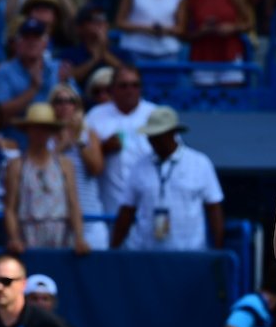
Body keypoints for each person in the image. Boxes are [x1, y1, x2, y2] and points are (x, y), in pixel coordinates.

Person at [110, 106, 225, 249]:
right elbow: (126, 211)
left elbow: (214, 208)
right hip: (148, 255)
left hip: (189, 255)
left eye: (158, 135)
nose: (153, 140)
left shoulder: (200, 163)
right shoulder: (139, 167)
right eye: (151, 136)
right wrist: (113, 248)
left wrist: (219, 250)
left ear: (172, 133)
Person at [4, 103, 89, 254]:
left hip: (60, 233)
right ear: (28, 130)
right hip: (28, 234)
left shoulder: (64, 164)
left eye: (45, 128)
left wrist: (79, 238)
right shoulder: (17, 165)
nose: (40, 132)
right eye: (36, 127)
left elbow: (74, 204)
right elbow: (10, 208)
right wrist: (14, 238)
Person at [84, 65, 158, 215]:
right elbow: (83, 160)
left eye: (135, 85)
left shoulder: (155, 114)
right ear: (112, 89)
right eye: (123, 86)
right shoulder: (95, 116)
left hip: (149, 204)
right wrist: (104, 148)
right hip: (111, 205)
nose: (129, 90)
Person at [50, 84, 108, 249]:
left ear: (77, 106)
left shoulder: (88, 134)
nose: (65, 106)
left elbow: (96, 168)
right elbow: (40, 168)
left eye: (70, 101)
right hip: (57, 221)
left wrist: (78, 141)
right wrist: (63, 145)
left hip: (89, 218)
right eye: (59, 101)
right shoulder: (45, 137)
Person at [186, 0, 251, 85]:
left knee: (232, 100)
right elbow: (186, 34)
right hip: (202, 56)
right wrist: (202, 31)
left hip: (229, 53)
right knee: (203, 101)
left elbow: (248, 23)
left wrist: (232, 28)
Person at [115, 0, 188, 63]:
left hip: (167, 52)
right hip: (135, 50)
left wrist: (163, 30)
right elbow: (120, 22)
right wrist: (146, 28)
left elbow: (181, 28)